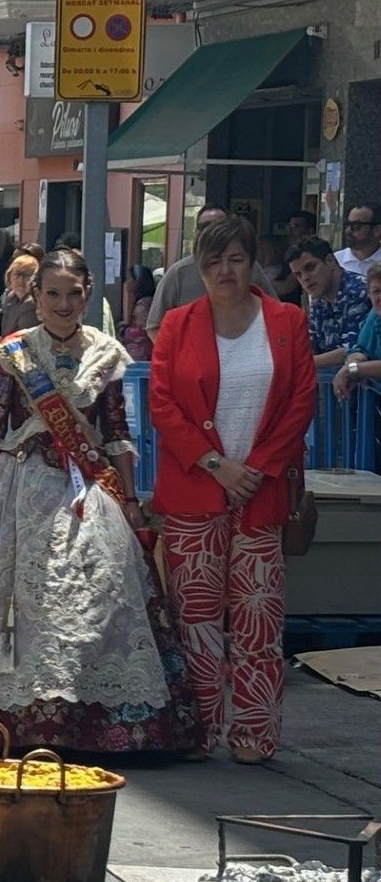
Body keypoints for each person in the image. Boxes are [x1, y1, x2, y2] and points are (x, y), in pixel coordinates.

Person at [0, 249, 200, 752]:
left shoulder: (107, 353)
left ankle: (95, 719)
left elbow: (116, 434)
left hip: (90, 489)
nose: (63, 303)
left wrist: (131, 498)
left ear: (89, 293)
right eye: (53, 293)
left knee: (98, 596)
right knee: (23, 601)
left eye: (74, 293)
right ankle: (18, 716)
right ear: (36, 295)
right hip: (22, 488)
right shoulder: (15, 352)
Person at [149, 215, 315, 764]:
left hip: (261, 496)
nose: (226, 270)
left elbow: (300, 404)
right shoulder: (177, 323)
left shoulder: (287, 320)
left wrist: (258, 468)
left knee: (258, 622)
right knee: (195, 622)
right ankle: (199, 730)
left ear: (253, 264)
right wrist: (217, 464)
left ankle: (254, 733)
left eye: (237, 259)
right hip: (196, 491)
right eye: (215, 261)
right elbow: (163, 405)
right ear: (199, 267)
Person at [149, 205, 275, 334]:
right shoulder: (178, 273)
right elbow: (155, 326)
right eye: (204, 226)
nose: (224, 270)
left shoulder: (251, 268)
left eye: (235, 260)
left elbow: (274, 313)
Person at [289, 235, 368, 368]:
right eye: (298, 274)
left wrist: (299, 365)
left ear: (330, 261)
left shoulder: (359, 290)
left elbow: (351, 350)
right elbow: (311, 346)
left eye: (310, 267)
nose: (305, 278)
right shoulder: (317, 300)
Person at [331, 263, 381, 401]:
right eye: (377, 291)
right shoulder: (374, 316)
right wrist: (353, 363)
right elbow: (360, 350)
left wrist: (353, 370)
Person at [0, 254, 39, 339]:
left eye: (26, 275)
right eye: (17, 274)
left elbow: (22, 340)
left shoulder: (32, 303)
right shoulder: (10, 298)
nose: (21, 280)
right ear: (9, 276)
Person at [337, 203, 380, 279]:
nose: (348, 231)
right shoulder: (336, 261)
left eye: (356, 226)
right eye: (347, 225)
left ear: (377, 230)